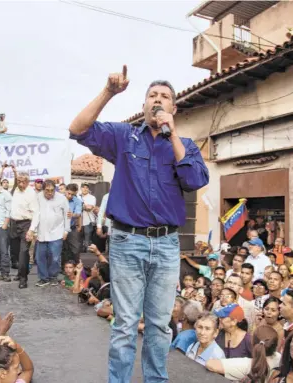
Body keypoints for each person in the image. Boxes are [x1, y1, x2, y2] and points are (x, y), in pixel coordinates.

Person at [69, 69, 208, 382]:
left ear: (174, 109)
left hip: (167, 244)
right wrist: (108, 91)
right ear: (144, 104)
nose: (157, 100)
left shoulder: (184, 144)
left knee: (159, 324)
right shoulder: (124, 137)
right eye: (152, 95)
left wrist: (172, 135)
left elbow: (194, 179)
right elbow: (77, 129)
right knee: (125, 323)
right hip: (127, 241)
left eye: (165, 97)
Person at [27, 180, 69, 287]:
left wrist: (66, 230)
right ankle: (43, 278)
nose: (50, 193)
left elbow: (67, 215)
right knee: (39, 257)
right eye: (47, 190)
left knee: (54, 257)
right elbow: (36, 214)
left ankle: (53, 276)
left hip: (57, 232)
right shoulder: (38, 197)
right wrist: (32, 229)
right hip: (42, 233)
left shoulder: (62, 198)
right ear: (43, 189)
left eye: (52, 190)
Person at [206, 324, 281, 382]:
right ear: (275, 346)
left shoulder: (245, 365)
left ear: (252, 342)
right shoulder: (279, 358)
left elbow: (210, 364)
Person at [9, 172, 38, 289]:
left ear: (28, 182)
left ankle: (23, 279)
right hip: (14, 224)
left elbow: (37, 213)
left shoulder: (31, 194)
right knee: (15, 252)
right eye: (19, 181)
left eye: (23, 182)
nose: (21, 184)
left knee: (23, 253)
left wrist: (31, 230)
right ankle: (21, 272)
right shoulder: (16, 190)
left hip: (26, 224)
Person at [62, 184, 82, 267]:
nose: (70, 196)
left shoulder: (77, 201)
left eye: (72, 194)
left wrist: (73, 215)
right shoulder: (59, 199)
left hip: (72, 228)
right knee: (62, 249)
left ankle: (77, 268)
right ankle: (63, 268)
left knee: (75, 249)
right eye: (68, 193)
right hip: (60, 228)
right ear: (65, 190)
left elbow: (78, 213)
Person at [78, 183, 96, 251]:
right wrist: (84, 206)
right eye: (83, 187)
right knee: (79, 241)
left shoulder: (92, 197)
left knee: (87, 241)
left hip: (88, 221)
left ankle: (87, 258)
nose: (85, 189)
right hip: (79, 222)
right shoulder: (78, 197)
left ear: (88, 189)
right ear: (81, 188)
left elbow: (89, 208)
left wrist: (80, 206)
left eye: (86, 187)